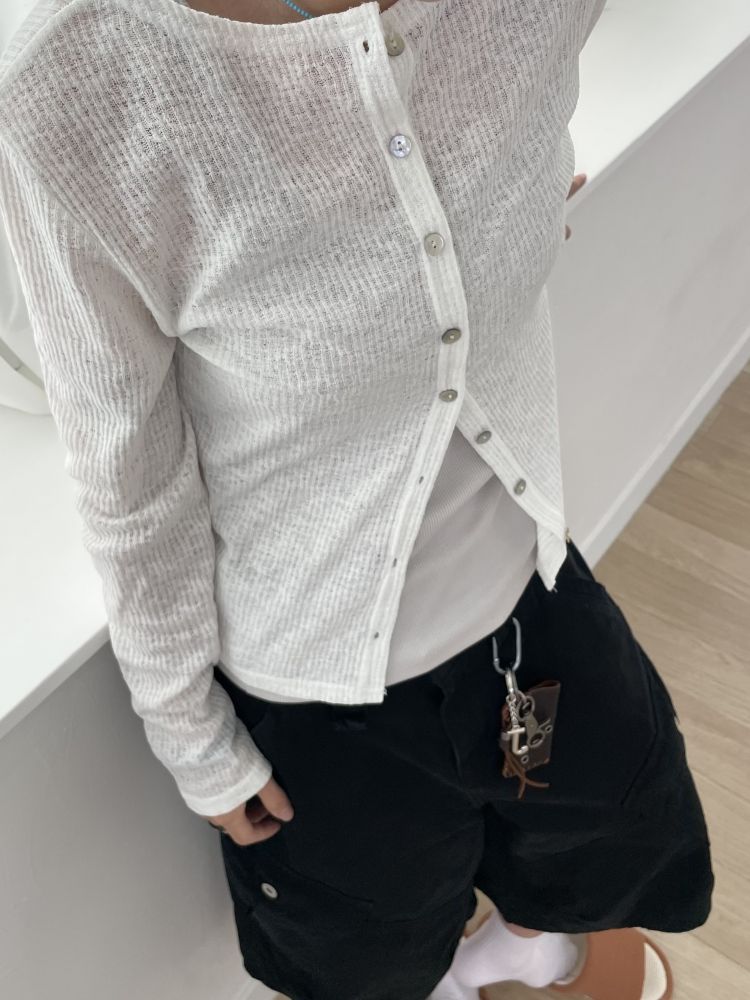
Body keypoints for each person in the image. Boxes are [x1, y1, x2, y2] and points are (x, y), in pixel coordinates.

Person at [0, 0, 713, 998]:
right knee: (369, 950)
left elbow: (500, 138)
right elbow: (128, 471)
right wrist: (190, 736)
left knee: (595, 835)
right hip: (319, 697)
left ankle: (525, 948)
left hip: (532, 602)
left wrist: (517, 201)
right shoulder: (74, 79)